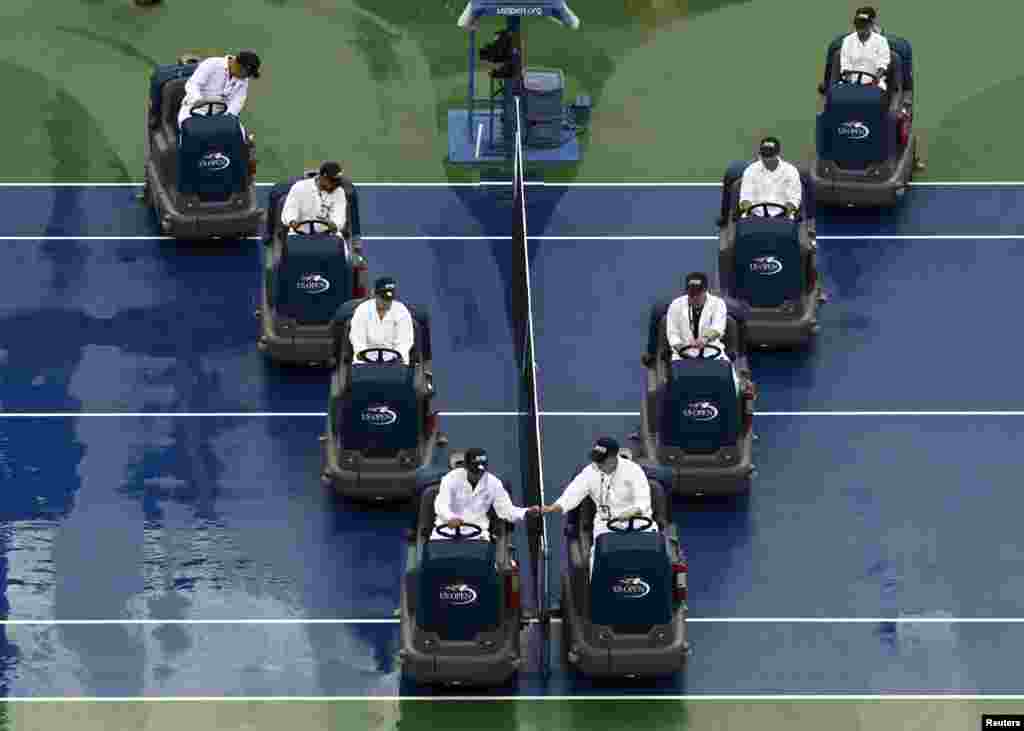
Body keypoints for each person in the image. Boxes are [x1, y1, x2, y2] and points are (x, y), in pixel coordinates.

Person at [541, 438, 658, 575]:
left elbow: (643, 500)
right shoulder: (590, 471)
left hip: (639, 525)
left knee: (652, 561)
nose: (598, 463)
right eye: (596, 459)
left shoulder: (633, 471)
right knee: (595, 560)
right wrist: (555, 507)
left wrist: (633, 511)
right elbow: (573, 493)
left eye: (602, 460)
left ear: (614, 458)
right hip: (607, 527)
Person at [432, 448, 538, 541]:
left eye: (481, 472)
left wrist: (526, 512)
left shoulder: (493, 483)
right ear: (465, 467)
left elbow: (507, 511)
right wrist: (450, 517)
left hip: (476, 534)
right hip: (445, 532)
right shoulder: (451, 478)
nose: (478, 475)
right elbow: (441, 504)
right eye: (474, 471)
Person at [666, 273, 741, 393]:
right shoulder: (675, 305)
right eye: (691, 294)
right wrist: (682, 349)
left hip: (714, 355)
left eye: (697, 294)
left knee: (735, 387)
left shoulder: (718, 304)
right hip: (682, 357)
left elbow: (718, 328)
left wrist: (704, 339)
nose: (694, 297)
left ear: (705, 290)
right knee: (675, 390)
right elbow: (672, 334)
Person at [177, 51, 261, 140]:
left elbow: (237, 102)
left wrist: (228, 117)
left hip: (220, 114)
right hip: (194, 110)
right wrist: (199, 100)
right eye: (247, 73)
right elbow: (192, 85)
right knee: (193, 135)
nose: (247, 77)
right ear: (238, 65)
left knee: (241, 137)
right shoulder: (212, 64)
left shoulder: (243, 80)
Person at [349, 277, 416, 364]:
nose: (386, 302)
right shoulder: (362, 310)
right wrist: (365, 357)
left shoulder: (401, 310)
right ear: (374, 294)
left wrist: (395, 358)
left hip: (395, 362)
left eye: (389, 299)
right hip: (365, 362)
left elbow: (405, 341)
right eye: (383, 298)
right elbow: (357, 339)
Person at [738, 137, 802, 218]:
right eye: (764, 155)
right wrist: (750, 212)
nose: (766, 159)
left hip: (783, 217)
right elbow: (745, 199)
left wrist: (784, 213)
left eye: (770, 155)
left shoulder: (791, 171)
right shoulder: (750, 170)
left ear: (778, 154)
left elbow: (794, 199)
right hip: (754, 217)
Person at [281, 162, 348, 238]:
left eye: (338, 181)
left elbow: (339, 214)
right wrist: (292, 221)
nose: (336, 185)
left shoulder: (339, 192)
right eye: (333, 181)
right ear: (322, 177)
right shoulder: (299, 187)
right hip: (299, 235)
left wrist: (333, 224)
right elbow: (290, 208)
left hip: (328, 236)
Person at [840, 8, 891, 90]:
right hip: (851, 82)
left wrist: (876, 79)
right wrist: (848, 79)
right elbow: (845, 62)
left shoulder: (881, 41)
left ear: (870, 25)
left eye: (864, 25)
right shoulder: (847, 40)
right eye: (858, 25)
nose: (861, 28)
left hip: (874, 83)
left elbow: (883, 63)